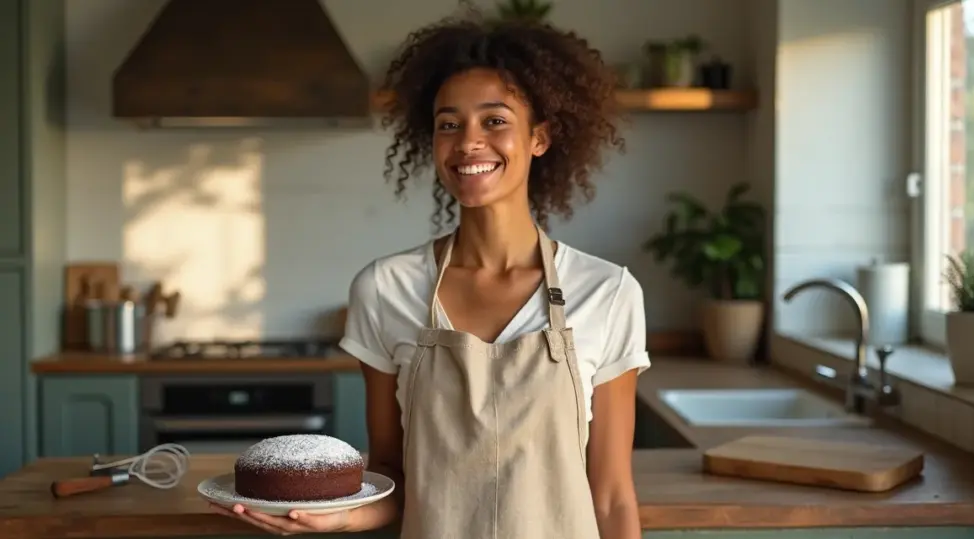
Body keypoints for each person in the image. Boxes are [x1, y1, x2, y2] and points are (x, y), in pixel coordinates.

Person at [210, 13, 650, 538]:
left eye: (494, 121)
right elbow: (394, 477)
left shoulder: (607, 292)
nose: (468, 142)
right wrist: (338, 516)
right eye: (449, 124)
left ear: (539, 137)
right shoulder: (384, 289)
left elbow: (611, 496)